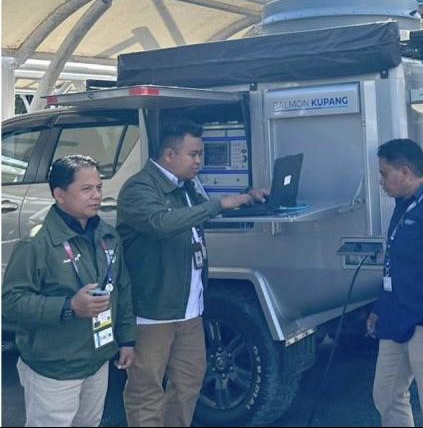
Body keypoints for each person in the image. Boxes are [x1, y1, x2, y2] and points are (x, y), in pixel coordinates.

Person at [118, 118, 267, 427]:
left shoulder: (185, 186)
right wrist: (218, 204)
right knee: (146, 390)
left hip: (190, 310)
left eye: (201, 154)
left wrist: (246, 200)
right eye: (193, 154)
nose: (199, 161)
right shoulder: (139, 188)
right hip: (153, 312)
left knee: (188, 384)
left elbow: (201, 214)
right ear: (169, 155)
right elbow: (160, 223)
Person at [2, 155, 136, 427]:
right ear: (59, 195)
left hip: (97, 360)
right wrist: (69, 306)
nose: (96, 195)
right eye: (86, 189)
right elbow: (10, 303)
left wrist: (126, 340)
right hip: (54, 367)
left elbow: (121, 289)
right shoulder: (37, 243)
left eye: (99, 187)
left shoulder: (108, 236)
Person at [368, 139, 423, 427]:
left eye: (384, 173)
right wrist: (379, 308)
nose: (381, 181)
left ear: (405, 172)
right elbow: (393, 263)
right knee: (386, 394)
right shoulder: (402, 204)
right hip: (395, 317)